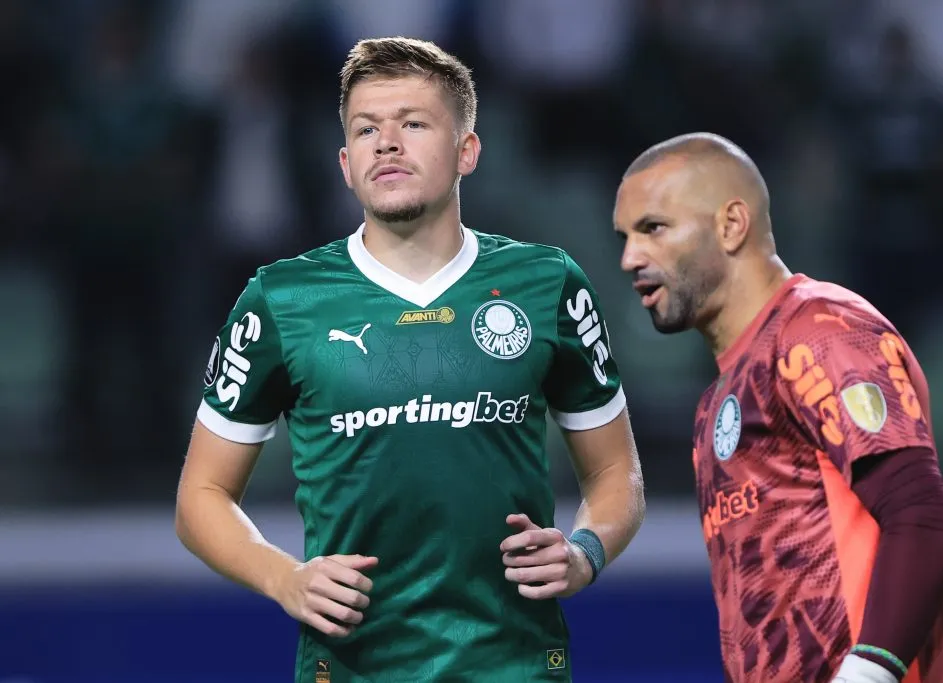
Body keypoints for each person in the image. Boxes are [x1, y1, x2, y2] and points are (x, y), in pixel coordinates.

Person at [175, 37, 645, 682]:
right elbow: (201, 496)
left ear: (467, 151)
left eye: (414, 123)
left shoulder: (547, 283)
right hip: (351, 668)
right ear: (345, 162)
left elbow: (616, 469)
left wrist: (585, 551)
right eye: (366, 128)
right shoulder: (280, 299)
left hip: (515, 664)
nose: (386, 142)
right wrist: (284, 578)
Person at [612, 132, 943, 683]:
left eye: (653, 228)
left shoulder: (821, 333)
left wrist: (868, 674)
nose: (630, 257)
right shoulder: (715, 403)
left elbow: (924, 519)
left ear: (731, 225)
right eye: (626, 237)